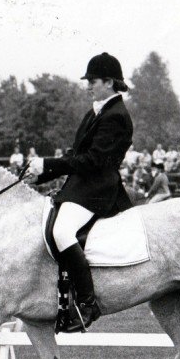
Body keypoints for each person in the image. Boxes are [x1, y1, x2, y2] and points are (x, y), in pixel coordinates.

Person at [26, 52, 133, 332]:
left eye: (93, 81)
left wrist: (48, 163)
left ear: (109, 82)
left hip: (98, 189)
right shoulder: (95, 111)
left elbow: (94, 161)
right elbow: (76, 154)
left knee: (62, 232)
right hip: (81, 187)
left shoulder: (117, 116)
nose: (88, 86)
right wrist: (42, 172)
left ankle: (87, 303)